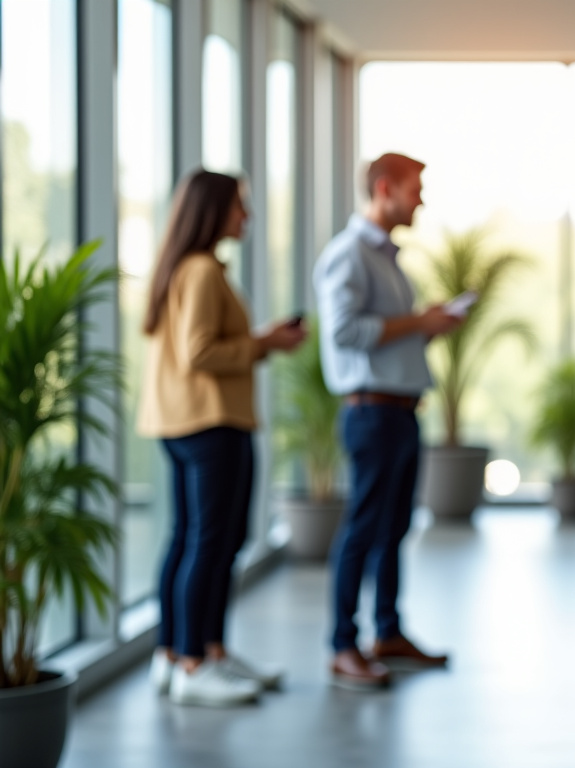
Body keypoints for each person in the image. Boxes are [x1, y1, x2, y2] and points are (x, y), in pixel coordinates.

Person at [138, 170, 307, 706]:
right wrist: (264, 344)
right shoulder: (204, 271)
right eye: (239, 206)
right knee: (214, 542)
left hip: (179, 422)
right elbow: (201, 353)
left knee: (190, 538)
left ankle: (184, 654)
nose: (247, 216)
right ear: (215, 211)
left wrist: (258, 340)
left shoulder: (179, 268)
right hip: (212, 423)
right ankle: (194, 661)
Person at [314, 153, 461, 690]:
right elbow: (345, 332)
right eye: (414, 188)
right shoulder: (348, 255)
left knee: (394, 528)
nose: (420, 198)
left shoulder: (386, 259)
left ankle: (388, 633)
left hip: (400, 411)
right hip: (371, 412)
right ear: (384, 188)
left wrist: (425, 327)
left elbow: (386, 333)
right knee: (362, 529)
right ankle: (342, 645)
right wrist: (416, 322)